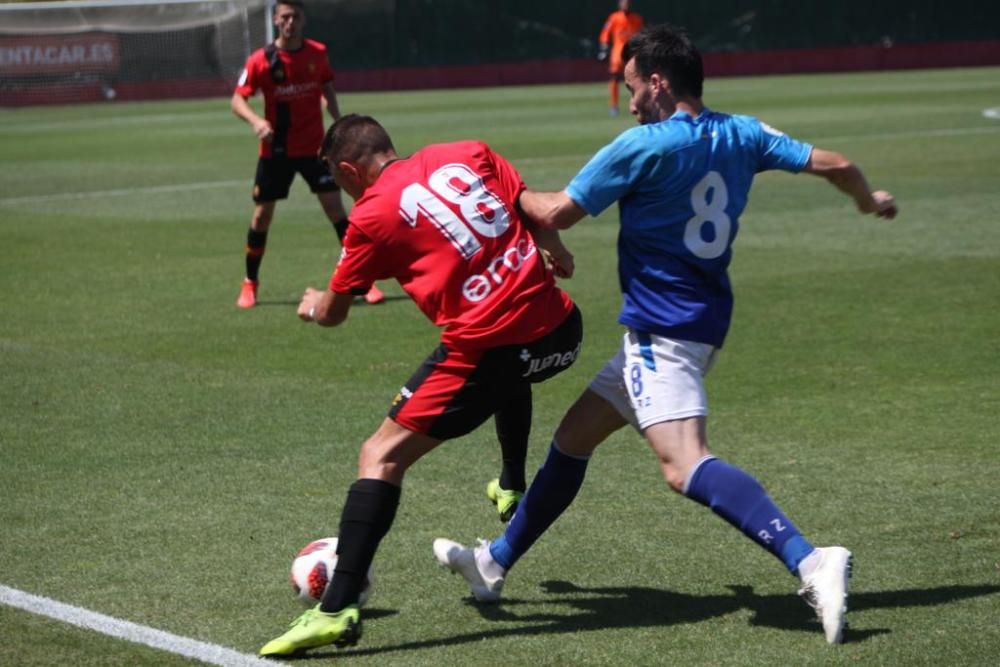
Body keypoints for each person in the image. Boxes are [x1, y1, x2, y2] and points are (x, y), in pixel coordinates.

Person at [434, 24, 898, 645]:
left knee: (683, 466)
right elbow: (837, 165)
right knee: (573, 438)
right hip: (695, 320)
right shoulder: (745, 132)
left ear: (657, 82)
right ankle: (494, 563)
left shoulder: (642, 145)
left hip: (664, 329)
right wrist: (869, 201)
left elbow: (551, 213)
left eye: (630, 87)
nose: (628, 102)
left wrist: (492, 182)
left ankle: (812, 560)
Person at [258, 114, 584, 656]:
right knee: (512, 370)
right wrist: (556, 248)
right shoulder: (467, 151)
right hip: (562, 331)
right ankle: (509, 482)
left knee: (380, 455)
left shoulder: (370, 216)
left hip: (488, 350)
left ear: (348, 170)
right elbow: (527, 206)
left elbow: (336, 313)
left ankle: (335, 609)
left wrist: (314, 304)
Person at [231, 0, 383, 308]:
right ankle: (250, 284)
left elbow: (327, 88)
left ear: (303, 20)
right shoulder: (261, 60)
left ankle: (364, 283)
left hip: (315, 150)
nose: (290, 23)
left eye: (296, 17)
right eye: (285, 17)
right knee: (261, 217)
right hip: (276, 151)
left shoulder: (317, 53)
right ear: (275, 20)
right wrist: (257, 121)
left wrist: (339, 122)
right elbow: (237, 100)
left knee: (337, 212)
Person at [597, 0, 644, 117]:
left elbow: (642, 35)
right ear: (619, 5)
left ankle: (639, 104)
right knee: (614, 78)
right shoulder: (614, 18)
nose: (625, 5)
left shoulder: (637, 19)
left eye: (627, 3)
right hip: (617, 53)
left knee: (638, 80)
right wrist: (604, 48)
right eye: (623, 3)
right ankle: (614, 105)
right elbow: (605, 33)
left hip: (632, 53)